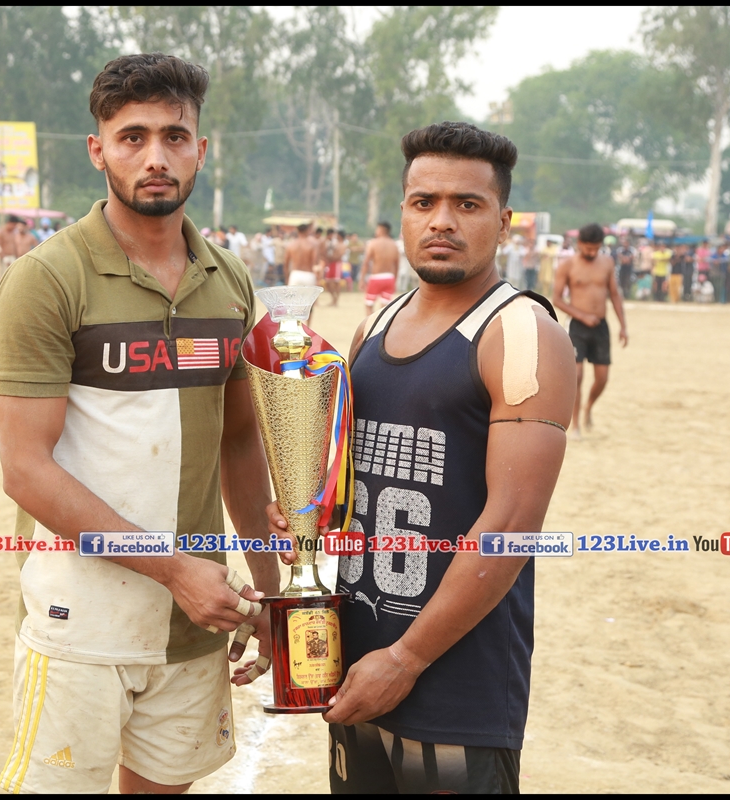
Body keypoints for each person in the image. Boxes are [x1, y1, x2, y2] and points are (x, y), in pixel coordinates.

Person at [0, 52, 279, 795]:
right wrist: (176, 571)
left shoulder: (229, 279)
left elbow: (239, 441)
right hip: (80, 617)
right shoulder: (47, 277)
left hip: (196, 621)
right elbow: (25, 470)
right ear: (98, 150)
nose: (156, 157)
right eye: (133, 137)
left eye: (174, 137)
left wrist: (269, 590)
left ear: (200, 149)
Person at [265, 121, 575, 794]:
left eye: (468, 204)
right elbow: (346, 485)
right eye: (424, 202)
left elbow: (510, 525)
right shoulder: (372, 327)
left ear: (504, 222)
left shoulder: (522, 333)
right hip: (356, 665)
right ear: (403, 211)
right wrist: (305, 512)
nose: (442, 221)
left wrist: (406, 658)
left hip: (455, 683)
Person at [553, 223, 629, 438]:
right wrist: (582, 316)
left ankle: (589, 406)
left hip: (600, 326)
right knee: (576, 376)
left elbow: (614, 294)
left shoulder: (607, 263)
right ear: (580, 244)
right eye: (588, 248)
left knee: (602, 378)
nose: (592, 252)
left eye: (596, 248)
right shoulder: (567, 265)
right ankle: (576, 423)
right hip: (577, 326)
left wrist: (623, 326)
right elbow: (557, 299)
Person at [358, 221, 400, 314]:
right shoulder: (394, 245)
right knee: (385, 308)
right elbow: (397, 265)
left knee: (369, 305)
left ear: (381, 230)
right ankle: (382, 323)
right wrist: (395, 281)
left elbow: (366, 263)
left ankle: (371, 323)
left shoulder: (373, 243)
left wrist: (361, 279)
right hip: (389, 278)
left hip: (376, 278)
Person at [284, 223, 319, 288]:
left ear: (297, 231)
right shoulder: (312, 245)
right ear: (307, 231)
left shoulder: (291, 245)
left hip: (295, 275)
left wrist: (287, 277)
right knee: (309, 294)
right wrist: (318, 277)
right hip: (308, 274)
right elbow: (315, 262)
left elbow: (286, 264)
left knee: (294, 295)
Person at [322, 228, 346, 306]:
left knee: (336, 282)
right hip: (331, 264)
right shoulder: (335, 243)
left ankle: (335, 300)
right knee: (328, 282)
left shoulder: (342, 245)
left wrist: (330, 258)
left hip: (336, 264)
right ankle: (334, 299)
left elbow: (339, 256)